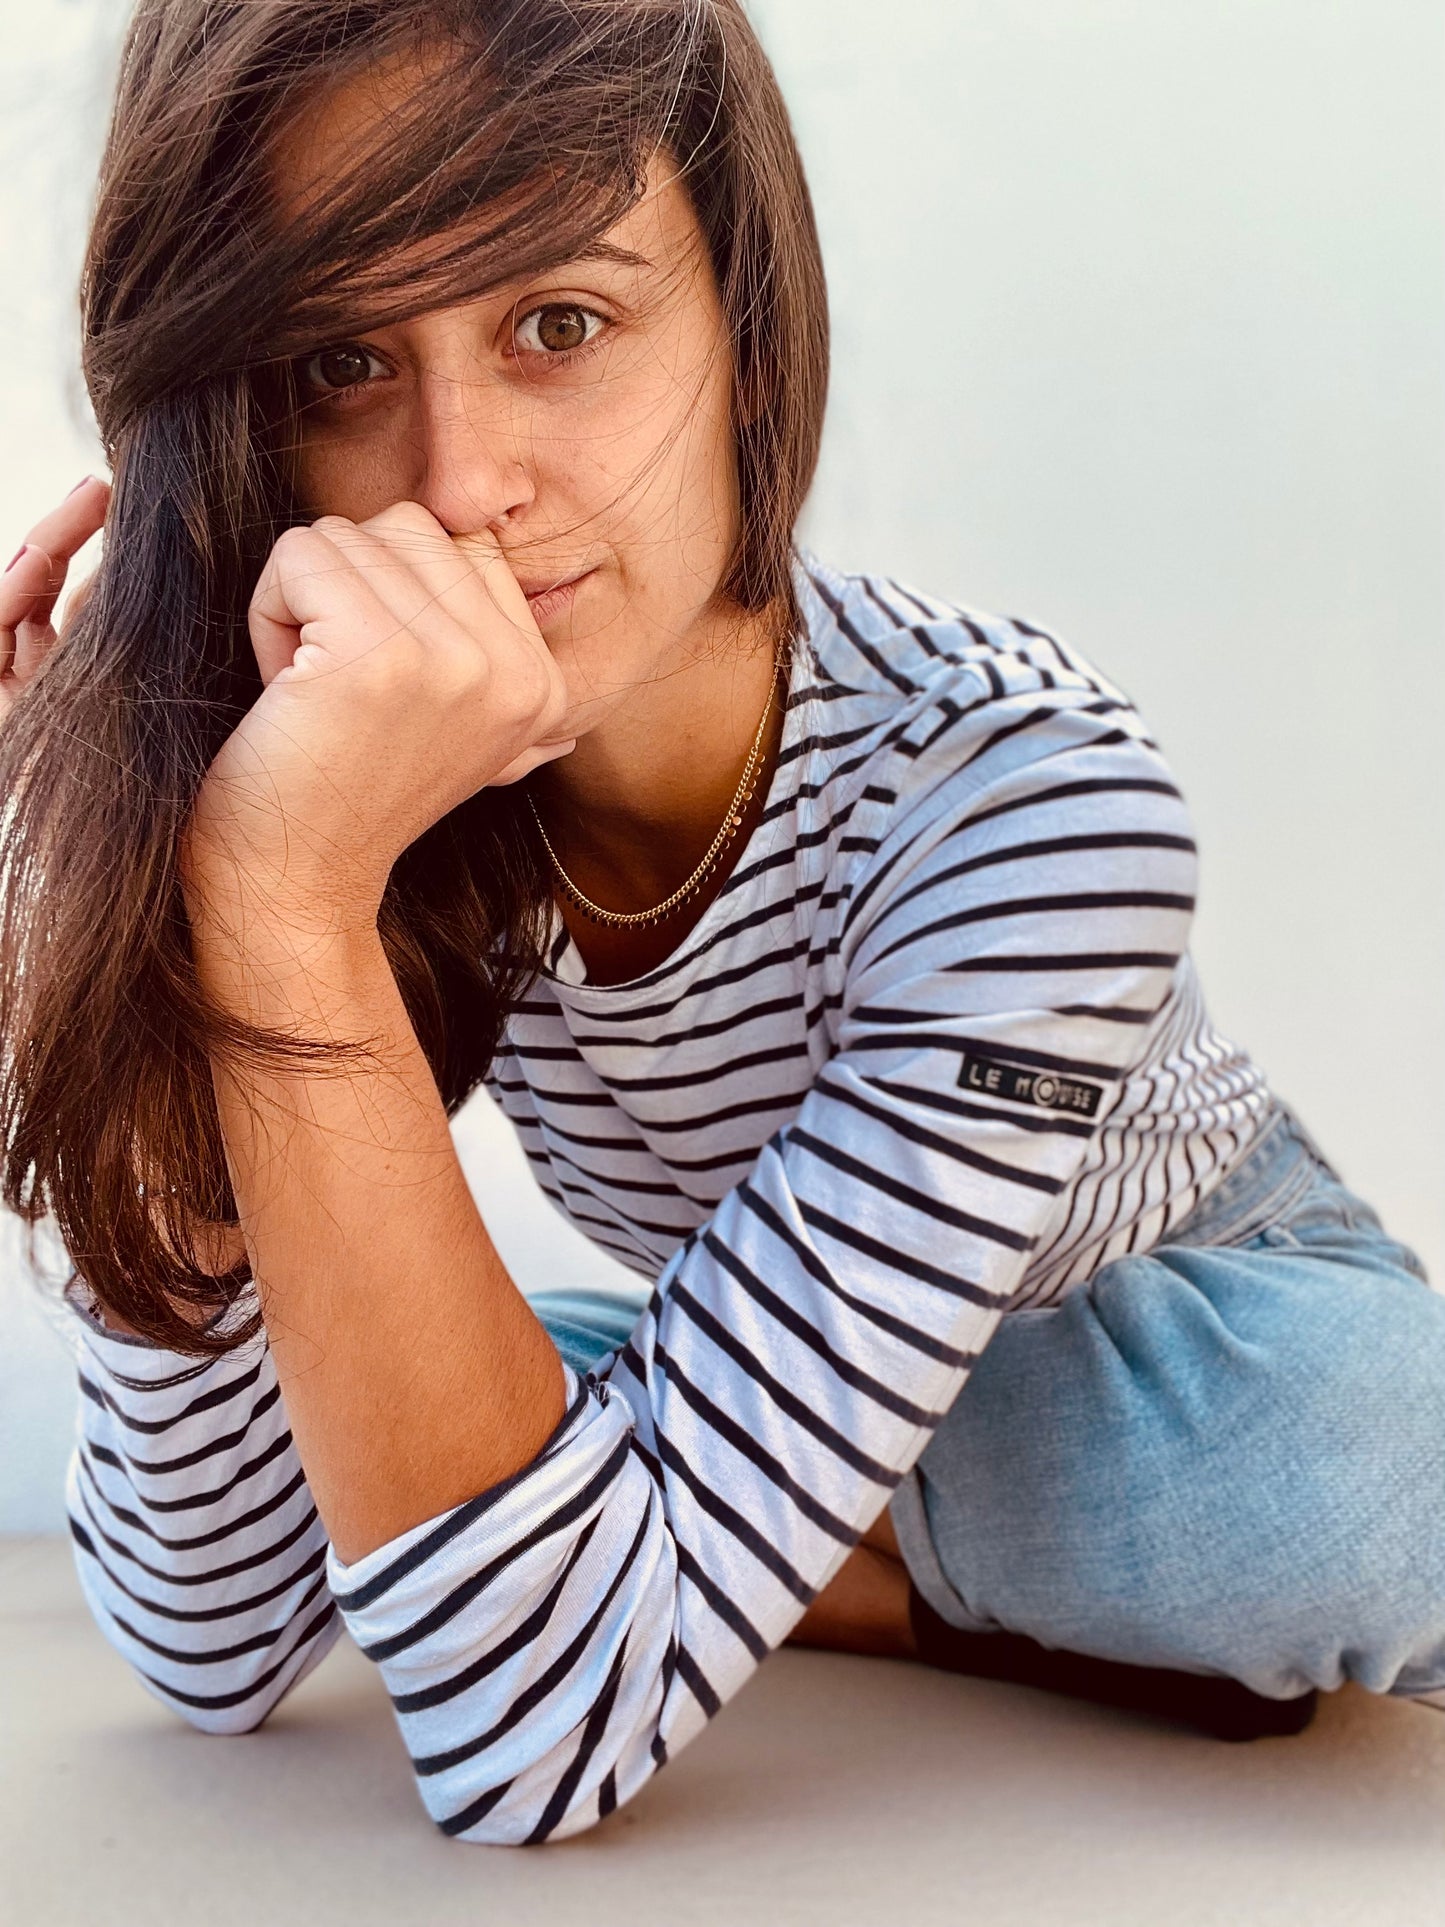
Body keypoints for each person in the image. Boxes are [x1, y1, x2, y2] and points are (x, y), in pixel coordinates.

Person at [1, 0, 1441, 1848]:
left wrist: (559, 1562)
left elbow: (527, 1726)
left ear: (749, 344)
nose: (457, 488)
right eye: (345, 358)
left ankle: (717, 1551)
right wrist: (208, 892)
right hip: (728, 1324)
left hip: (1151, 1318)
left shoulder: (1027, 797)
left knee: (1358, 1467)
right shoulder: (371, 763)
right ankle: (719, 1544)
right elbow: (204, 1641)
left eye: (560, 325)